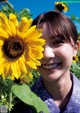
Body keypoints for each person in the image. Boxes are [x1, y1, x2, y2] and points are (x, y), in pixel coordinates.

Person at [11, 11, 80, 113]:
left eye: (57, 42)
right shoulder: (17, 106)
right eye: (38, 45)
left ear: (75, 48)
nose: (46, 54)